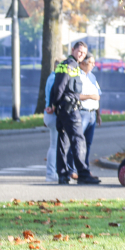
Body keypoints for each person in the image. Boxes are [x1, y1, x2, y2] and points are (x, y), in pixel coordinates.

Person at [49, 41, 101, 185]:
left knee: (63, 141)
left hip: (64, 108)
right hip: (69, 109)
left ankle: (63, 175)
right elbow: (59, 87)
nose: (81, 55)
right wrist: (58, 104)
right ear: (73, 50)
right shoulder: (70, 66)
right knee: (78, 140)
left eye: (84, 53)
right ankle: (83, 174)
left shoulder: (67, 65)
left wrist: (54, 105)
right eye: (79, 52)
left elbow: (56, 87)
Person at [79, 53, 102, 168]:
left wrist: (98, 114)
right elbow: (76, 95)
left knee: (88, 143)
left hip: (92, 113)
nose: (93, 65)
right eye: (91, 63)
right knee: (78, 142)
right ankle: (74, 168)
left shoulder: (92, 77)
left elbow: (98, 95)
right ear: (83, 63)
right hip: (82, 112)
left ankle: (85, 167)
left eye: (94, 63)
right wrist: (90, 96)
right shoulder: (78, 76)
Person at [43, 59, 62, 183]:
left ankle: (52, 172)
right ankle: (51, 173)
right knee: (55, 145)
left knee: (54, 144)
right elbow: (53, 96)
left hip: (49, 114)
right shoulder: (55, 79)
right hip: (53, 114)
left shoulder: (50, 77)